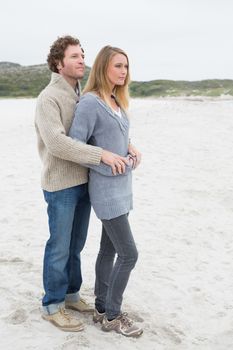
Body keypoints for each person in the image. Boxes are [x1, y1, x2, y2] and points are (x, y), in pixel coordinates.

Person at [35, 36, 134, 332]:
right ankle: (52, 304)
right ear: (58, 63)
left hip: (85, 180)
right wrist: (101, 155)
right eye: (74, 56)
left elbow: (100, 132)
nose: (81, 60)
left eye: (82, 55)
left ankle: (71, 295)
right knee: (59, 246)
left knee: (76, 245)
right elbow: (56, 143)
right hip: (60, 183)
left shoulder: (81, 93)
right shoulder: (48, 98)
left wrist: (128, 146)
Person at [69, 45, 143, 337]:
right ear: (103, 68)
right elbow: (77, 144)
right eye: (117, 66)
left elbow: (118, 136)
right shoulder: (89, 103)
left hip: (123, 187)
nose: (123, 72)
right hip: (105, 190)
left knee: (109, 249)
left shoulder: (116, 100)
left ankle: (101, 306)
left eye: (126, 66)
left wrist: (130, 147)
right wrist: (104, 156)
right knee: (129, 254)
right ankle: (113, 314)